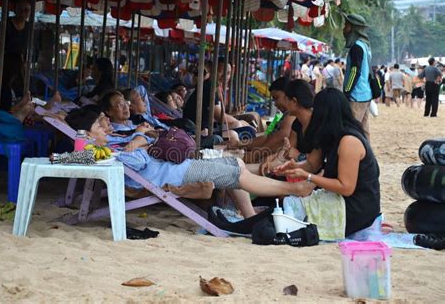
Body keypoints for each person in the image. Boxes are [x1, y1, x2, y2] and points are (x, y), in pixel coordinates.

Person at [65, 107, 314, 219]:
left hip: (175, 168)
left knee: (235, 167)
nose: (104, 127)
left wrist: (139, 140)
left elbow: (137, 152)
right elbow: (137, 160)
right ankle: (292, 189)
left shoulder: (110, 146)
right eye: (99, 125)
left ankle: (249, 215)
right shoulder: (106, 151)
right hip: (172, 177)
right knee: (237, 172)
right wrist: (140, 138)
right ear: (86, 134)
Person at [274, 87, 381, 237]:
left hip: (354, 210)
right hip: (341, 202)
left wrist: (308, 177)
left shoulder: (349, 141)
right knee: (278, 214)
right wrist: (295, 167)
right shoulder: (332, 136)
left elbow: (346, 187)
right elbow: (312, 164)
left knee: (280, 219)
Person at [236, 76, 296, 164]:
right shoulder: (278, 117)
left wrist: (256, 153)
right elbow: (266, 136)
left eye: (276, 98)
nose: (275, 104)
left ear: (287, 95)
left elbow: (280, 136)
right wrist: (240, 144)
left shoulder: (291, 116)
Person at [343, 13, 373, 140]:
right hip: (366, 94)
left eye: (346, 25)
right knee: (363, 130)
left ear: (352, 27)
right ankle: (368, 156)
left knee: (351, 130)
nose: (344, 29)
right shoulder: (365, 46)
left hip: (357, 95)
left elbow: (355, 71)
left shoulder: (357, 47)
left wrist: (347, 91)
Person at [0, 0, 31, 78]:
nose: (23, 13)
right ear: (15, 10)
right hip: (3, 64)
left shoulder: (28, 27)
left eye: (26, 10)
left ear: (30, 12)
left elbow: (26, 50)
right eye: (20, 9)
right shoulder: (5, 24)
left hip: (19, 65)